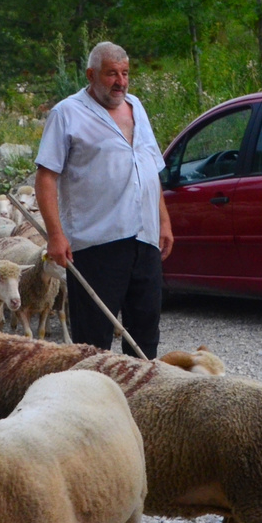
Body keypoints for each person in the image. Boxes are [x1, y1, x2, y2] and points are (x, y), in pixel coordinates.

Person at [33, 41, 173, 356]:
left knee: (145, 332)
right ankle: (94, 399)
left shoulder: (136, 106)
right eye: (112, 74)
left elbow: (150, 169)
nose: (120, 81)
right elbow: (45, 177)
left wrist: (163, 221)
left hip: (144, 239)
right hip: (96, 244)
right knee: (93, 339)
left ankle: (140, 400)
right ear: (91, 74)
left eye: (125, 73)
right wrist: (56, 235)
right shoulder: (67, 113)